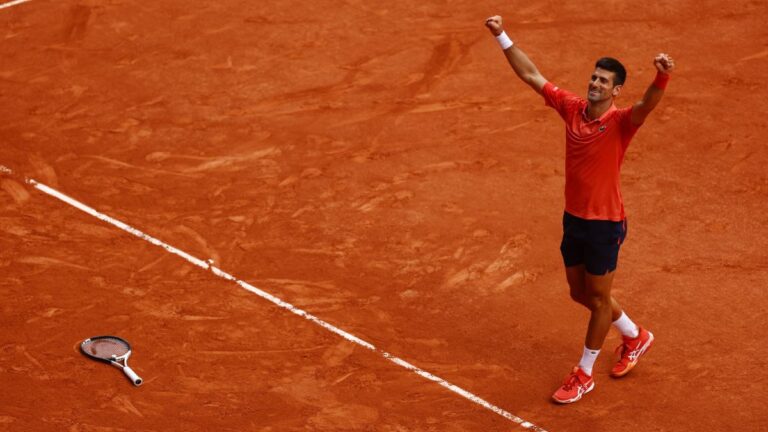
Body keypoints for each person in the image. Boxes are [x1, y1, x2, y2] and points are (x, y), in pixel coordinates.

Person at [484, 15, 675, 404]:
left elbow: (647, 104)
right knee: (580, 293)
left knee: (600, 299)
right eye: (593, 77)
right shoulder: (571, 107)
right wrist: (501, 35)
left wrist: (661, 78)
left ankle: (584, 373)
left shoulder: (621, 122)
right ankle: (635, 336)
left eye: (603, 81)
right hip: (574, 218)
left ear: (615, 90)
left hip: (605, 224)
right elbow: (532, 75)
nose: (594, 83)